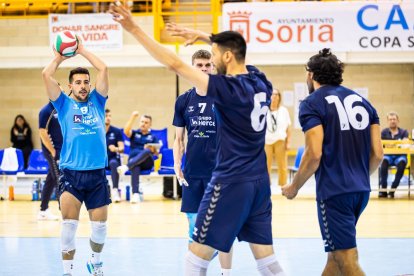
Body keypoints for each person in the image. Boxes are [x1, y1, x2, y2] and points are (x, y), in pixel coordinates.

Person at [109, 4, 285, 275]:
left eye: (214, 55)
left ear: (226, 56)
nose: (211, 62)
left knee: (196, 256)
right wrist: (204, 37)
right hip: (259, 182)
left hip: (230, 180)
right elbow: (235, 51)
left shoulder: (228, 89)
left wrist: (134, 28)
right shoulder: (261, 82)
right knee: (266, 258)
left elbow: (174, 63)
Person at [281, 48, 383, 275]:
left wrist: (293, 187)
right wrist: (358, 176)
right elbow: (378, 154)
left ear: (310, 74)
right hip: (361, 190)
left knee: (346, 261)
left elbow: (313, 154)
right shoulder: (364, 103)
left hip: (334, 193)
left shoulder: (311, 103)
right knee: (335, 256)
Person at [42, 36, 110, 276]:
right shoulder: (63, 105)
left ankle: (95, 262)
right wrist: (60, 56)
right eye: (78, 82)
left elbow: (103, 68)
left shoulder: (98, 102)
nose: (82, 86)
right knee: (69, 227)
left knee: (100, 228)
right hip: (71, 174)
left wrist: (81, 50)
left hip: (97, 176)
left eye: (85, 82)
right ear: (69, 86)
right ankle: (68, 271)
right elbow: (46, 75)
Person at [173, 49, 233, 275]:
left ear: (213, 67)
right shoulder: (183, 100)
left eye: (208, 65)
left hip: (220, 173)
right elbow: (178, 138)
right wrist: (178, 165)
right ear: (192, 68)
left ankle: (225, 273)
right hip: (193, 174)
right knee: (193, 229)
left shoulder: (224, 96)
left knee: (224, 228)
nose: (204, 69)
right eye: (199, 65)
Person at [117, 112, 160, 203]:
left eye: (146, 122)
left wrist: (152, 149)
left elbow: (156, 154)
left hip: (147, 162)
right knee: (135, 166)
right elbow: (126, 131)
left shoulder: (153, 137)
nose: (143, 124)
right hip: (134, 161)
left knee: (147, 151)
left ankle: (126, 166)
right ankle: (135, 194)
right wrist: (133, 117)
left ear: (150, 124)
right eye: (142, 122)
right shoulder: (135, 133)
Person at [38, 97, 63, 221]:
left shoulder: (60, 109)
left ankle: (43, 210)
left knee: (51, 180)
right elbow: (42, 132)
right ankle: (64, 211)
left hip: (60, 151)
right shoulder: (46, 111)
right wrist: (53, 151)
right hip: (52, 152)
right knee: (59, 179)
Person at [379, 111, 409, 198]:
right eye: (390, 119)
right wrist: (397, 144)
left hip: (400, 156)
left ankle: (392, 189)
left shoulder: (404, 132)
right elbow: (381, 145)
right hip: (387, 156)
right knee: (383, 163)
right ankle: (383, 189)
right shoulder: (383, 132)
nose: (392, 121)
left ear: (397, 120)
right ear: (388, 121)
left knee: (402, 164)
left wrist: (390, 144)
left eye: (394, 119)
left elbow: (405, 144)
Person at [265, 89, 291, 186]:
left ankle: (283, 185)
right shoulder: (265, 110)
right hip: (267, 141)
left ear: (279, 97)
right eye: (272, 94)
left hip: (280, 140)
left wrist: (288, 142)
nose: (274, 96)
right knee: (266, 166)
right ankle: (267, 186)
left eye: (276, 94)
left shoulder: (283, 111)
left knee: (282, 166)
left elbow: (288, 128)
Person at [105, 108, 124, 202]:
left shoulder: (116, 131)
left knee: (113, 163)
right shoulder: (96, 131)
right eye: (106, 116)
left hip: (113, 159)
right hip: (100, 160)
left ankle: (115, 190)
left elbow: (122, 148)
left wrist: (116, 148)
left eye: (109, 116)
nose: (108, 118)